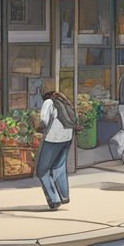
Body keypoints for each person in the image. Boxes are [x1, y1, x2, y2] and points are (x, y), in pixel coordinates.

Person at [36, 81, 74, 210]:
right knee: (59, 166)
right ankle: (64, 196)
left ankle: (54, 199)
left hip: (53, 138)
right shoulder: (63, 100)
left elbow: (44, 121)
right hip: (67, 137)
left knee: (42, 170)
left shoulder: (48, 103)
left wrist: (37, 127)